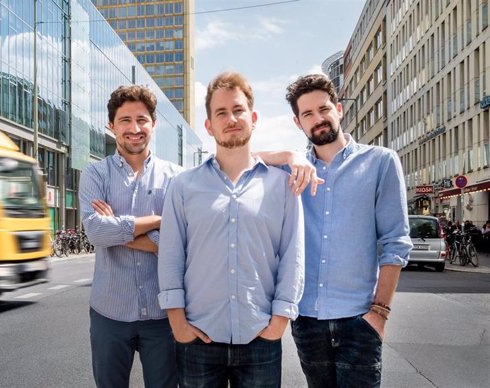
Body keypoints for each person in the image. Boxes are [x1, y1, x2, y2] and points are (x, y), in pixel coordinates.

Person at [157, 71, 305, 387]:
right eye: (221, 112)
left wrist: (279, 321)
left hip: (260, 336)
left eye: (238, 110)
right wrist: (178, 324)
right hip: (198, 338)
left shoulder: (282, 186)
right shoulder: (183, 186)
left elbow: (293, 255)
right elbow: (171, 255)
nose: (231, 118)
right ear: (209, 125)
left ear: (252, 117)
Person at [282, 74, 413, 388]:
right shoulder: (293, 171)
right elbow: (247, 161)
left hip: (359, 319)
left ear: (338, 109)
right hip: (307, 320)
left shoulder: (380, 162)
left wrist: (379, 313)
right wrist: (289, 156)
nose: (319, 119)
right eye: (308, 114)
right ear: (298, 122)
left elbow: (395, 241)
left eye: (324, 109)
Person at [79, 85, 182, 388]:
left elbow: (181, 242)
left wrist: (116, 229)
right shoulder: (95, 174)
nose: (134, 128)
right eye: (125, 120)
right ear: (111, 126)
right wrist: (160, 222)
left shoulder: (176, 178)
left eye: (142, 120)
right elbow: (96, 231)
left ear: (154, 124)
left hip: (163, 314)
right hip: (109, 312)